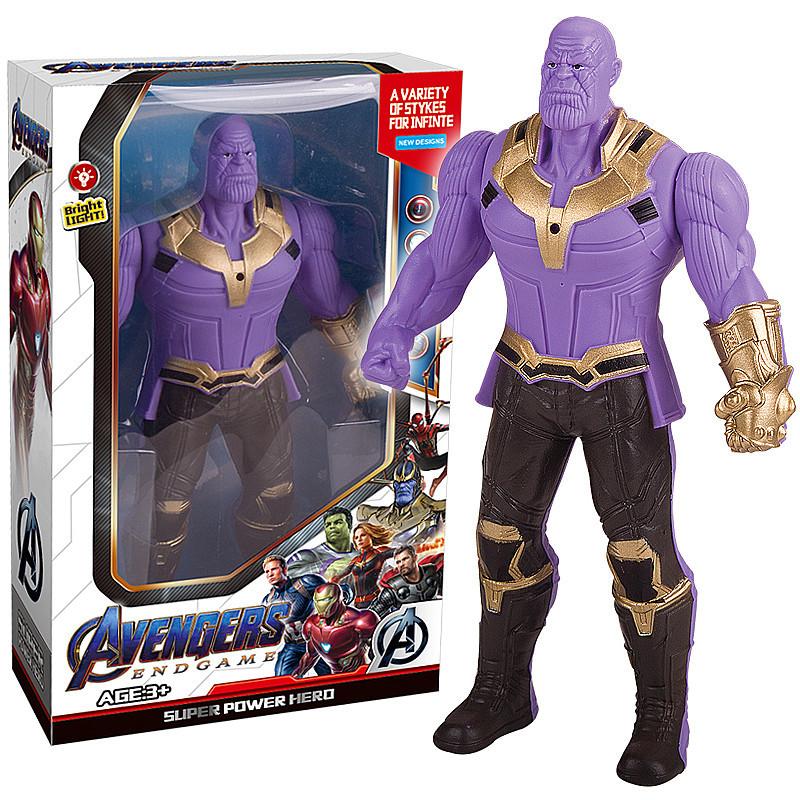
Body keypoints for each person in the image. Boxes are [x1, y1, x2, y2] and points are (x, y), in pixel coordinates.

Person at [361, 16, 794, 786]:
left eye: (580, 64)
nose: (563, 76)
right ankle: (500, 692)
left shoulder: (676, 173)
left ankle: (660, 717)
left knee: (640, 557)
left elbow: (730, 279)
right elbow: (442, 262)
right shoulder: (488, 159)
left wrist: (761, 384)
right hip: (523, 378)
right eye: (554, 62)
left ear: (612, 72)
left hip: (620, 387)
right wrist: (395, 326)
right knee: (498, 538)